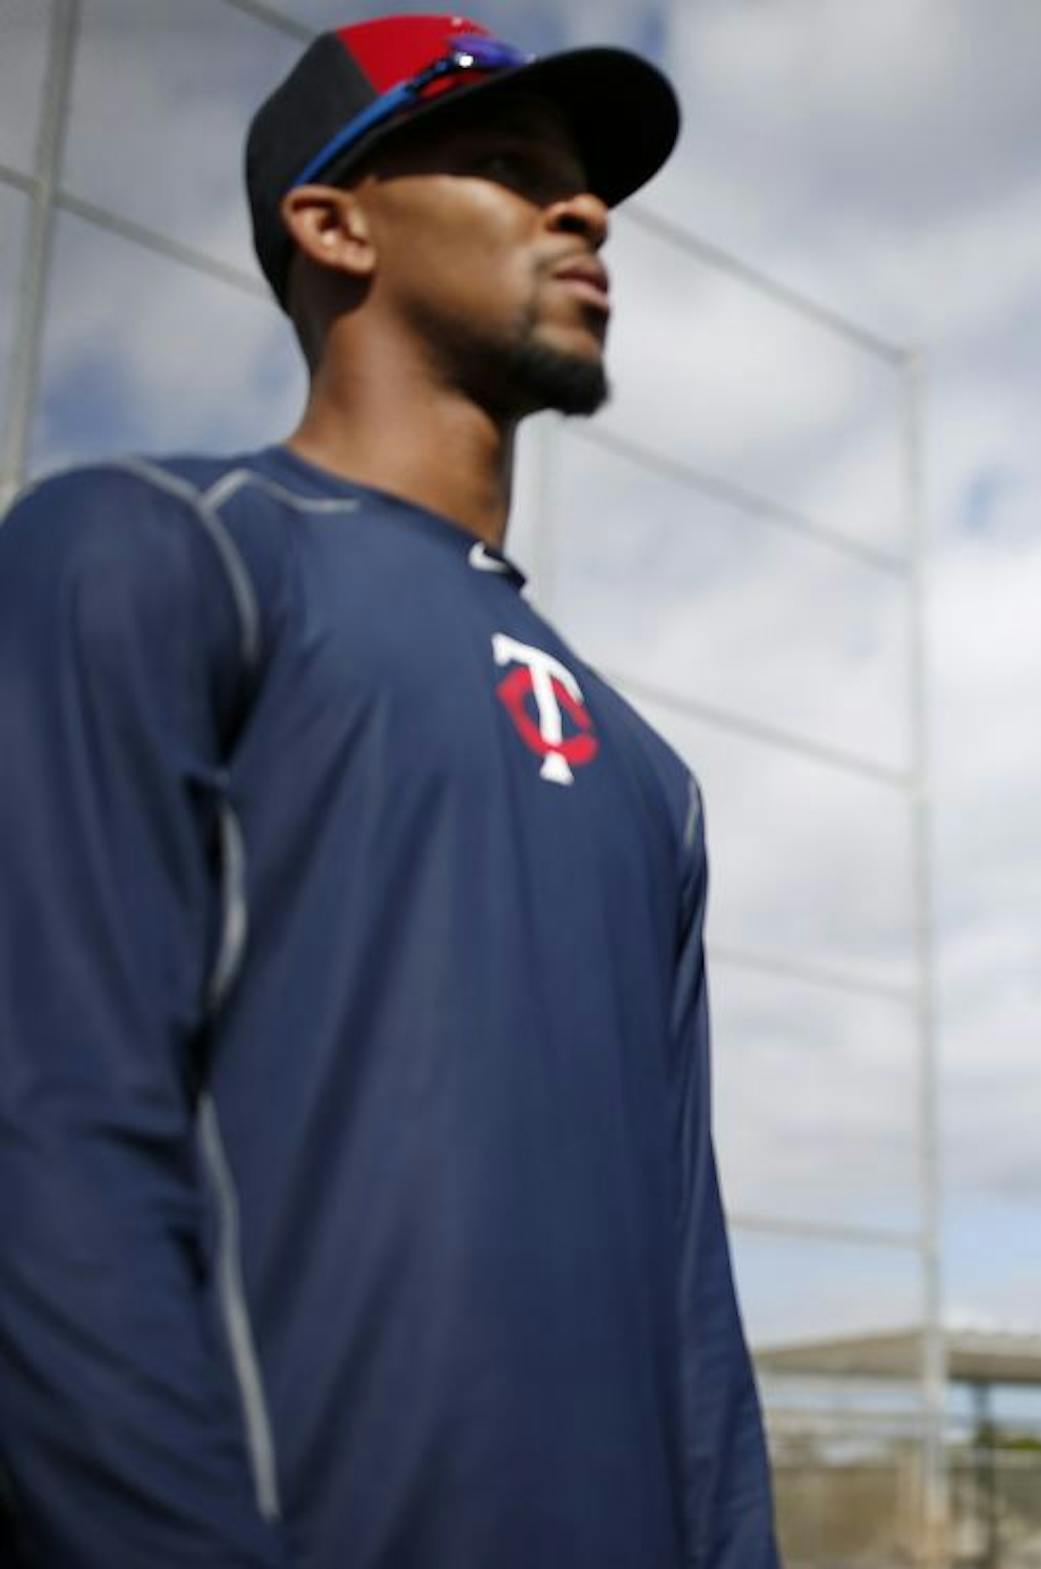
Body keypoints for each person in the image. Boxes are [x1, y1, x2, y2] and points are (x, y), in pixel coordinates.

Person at [0, 16, 777, 1565]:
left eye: (591, 190)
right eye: (508, 168)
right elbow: (46, 1154)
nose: (589, 214)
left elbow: (691, 1290)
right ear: (333, 221)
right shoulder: (151, 553)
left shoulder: (646, 776)